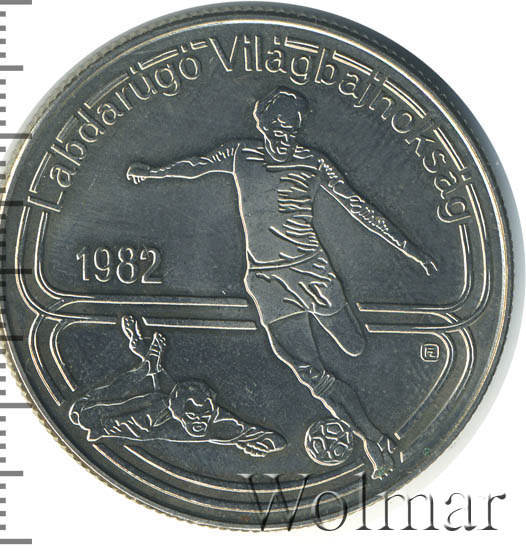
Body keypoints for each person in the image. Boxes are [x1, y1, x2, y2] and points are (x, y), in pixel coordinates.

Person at [126, 87, 437, 478]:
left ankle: (367, 402)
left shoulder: (314, 163)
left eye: (291, 129)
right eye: (277, 128)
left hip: (312, 272)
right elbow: (195, 165)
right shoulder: (240, 155)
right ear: (263, 125)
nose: (284, 136)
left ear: (298, 128)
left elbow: (359, 207)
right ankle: (374, 441)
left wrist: (410, 249)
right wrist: (153, 173)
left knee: (354, 346)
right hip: (266, 279)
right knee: (311, 374)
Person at [69, 316, 286, 458]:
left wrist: (263, 445)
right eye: (192, 413)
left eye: (204, 412)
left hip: (138, 417)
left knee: (88, 414)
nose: (199, 419)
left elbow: (276, 441)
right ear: (177, 410)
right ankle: (146, 364)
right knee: (86, 413)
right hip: (144, 416)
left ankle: (146, 362)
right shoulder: (158, 408)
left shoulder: (220, 421)